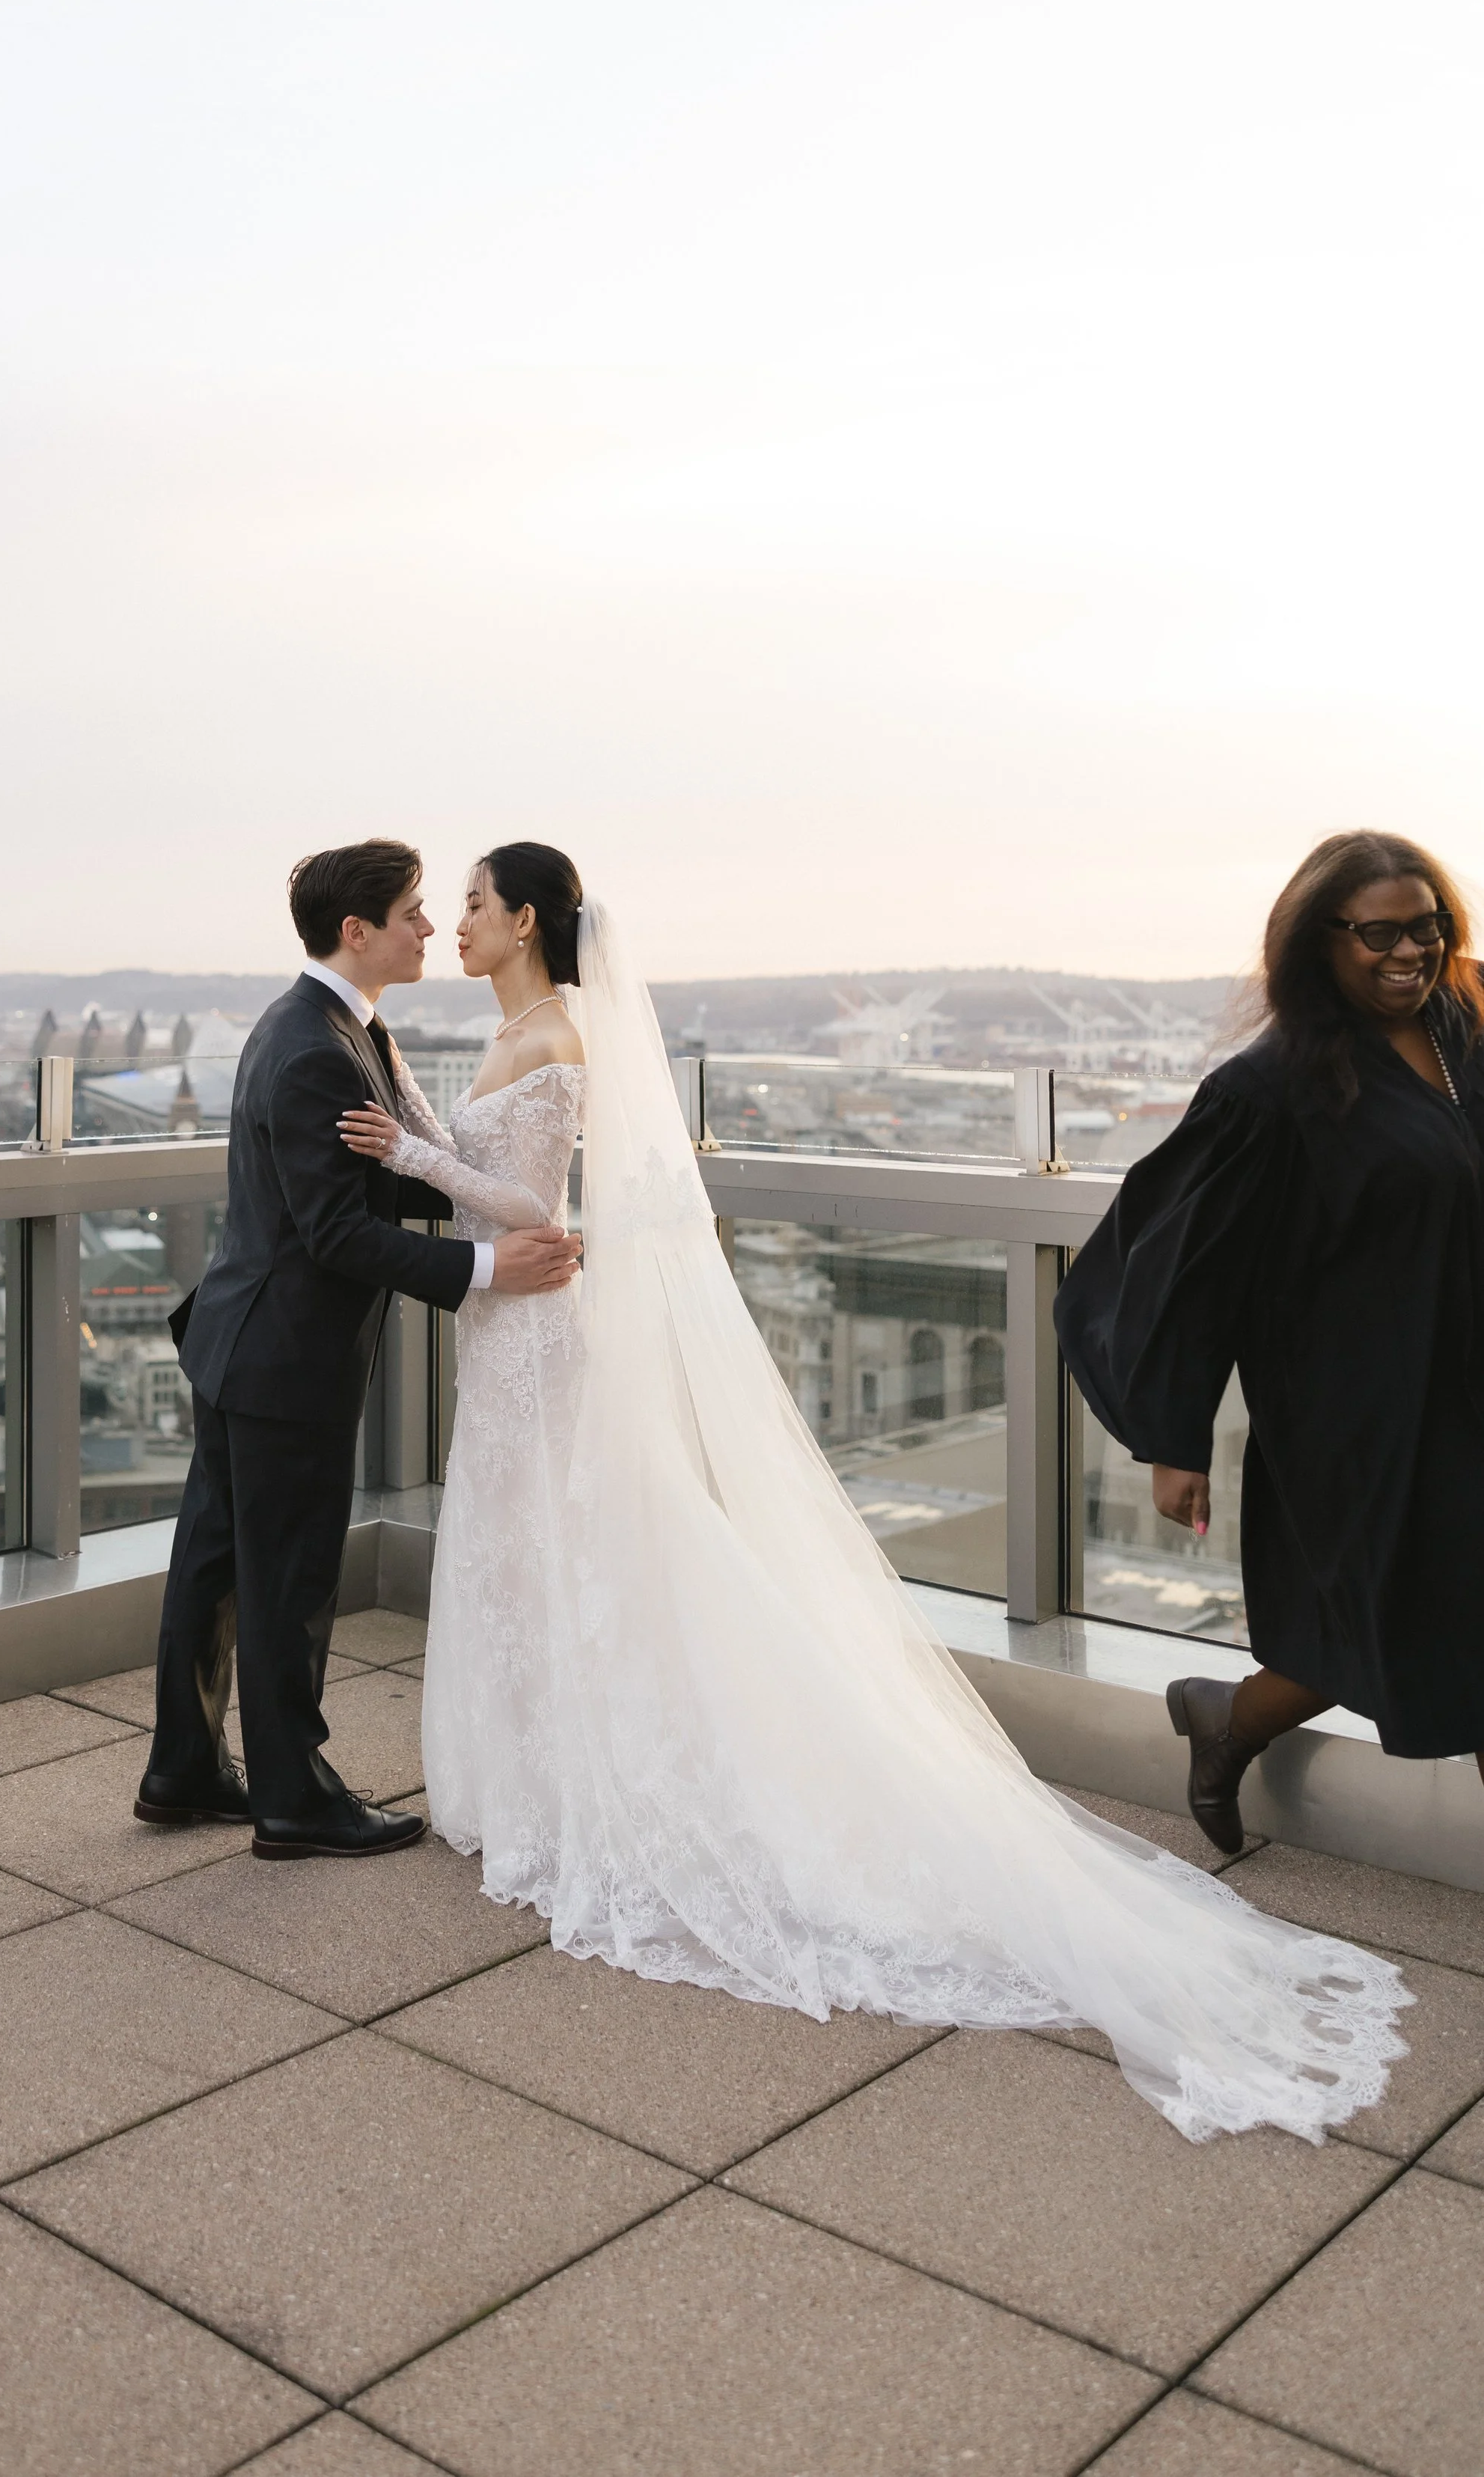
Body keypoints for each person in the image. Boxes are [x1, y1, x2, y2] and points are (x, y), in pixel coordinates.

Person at [336, 843, 1409, 2143]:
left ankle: (560, 1785)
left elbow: (528, 1196)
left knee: (557, 1545)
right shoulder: (529, 1028)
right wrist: (419, 1127)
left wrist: (422, 1157)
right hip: (510, 1318)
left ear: (525, 920)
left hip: (536, 1315)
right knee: (525, 1550)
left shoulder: (559, 1031)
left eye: (470, 905)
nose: (453, 923)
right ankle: (532, 1774)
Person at [135, 839, 581, 1859]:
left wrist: (505, 1202)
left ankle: (183, 1768)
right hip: (285, 1358)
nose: (431, 926)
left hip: (241, 1342)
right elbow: (337, 1230)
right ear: (358, 931)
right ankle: (294, 1797)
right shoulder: (314, 1048)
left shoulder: (332, 1026)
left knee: (212, 1567)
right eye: (416, 912)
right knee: (286, 1580)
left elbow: (400, 1175)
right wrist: (485, 1271)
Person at [1057, 829, 1484, 1857]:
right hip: (1356, 1410)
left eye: (1427, 926)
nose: (1410, 950)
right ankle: (1227, 1718)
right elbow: (1184, 1261)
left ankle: (1227, 1718)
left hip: (1466, 1385)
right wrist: (1173, 1437)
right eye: (1379, 932)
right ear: (1319, 941)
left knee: (1417, 1620)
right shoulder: (1273, 1086)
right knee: (1413, 1615)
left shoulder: (1462, 1024)